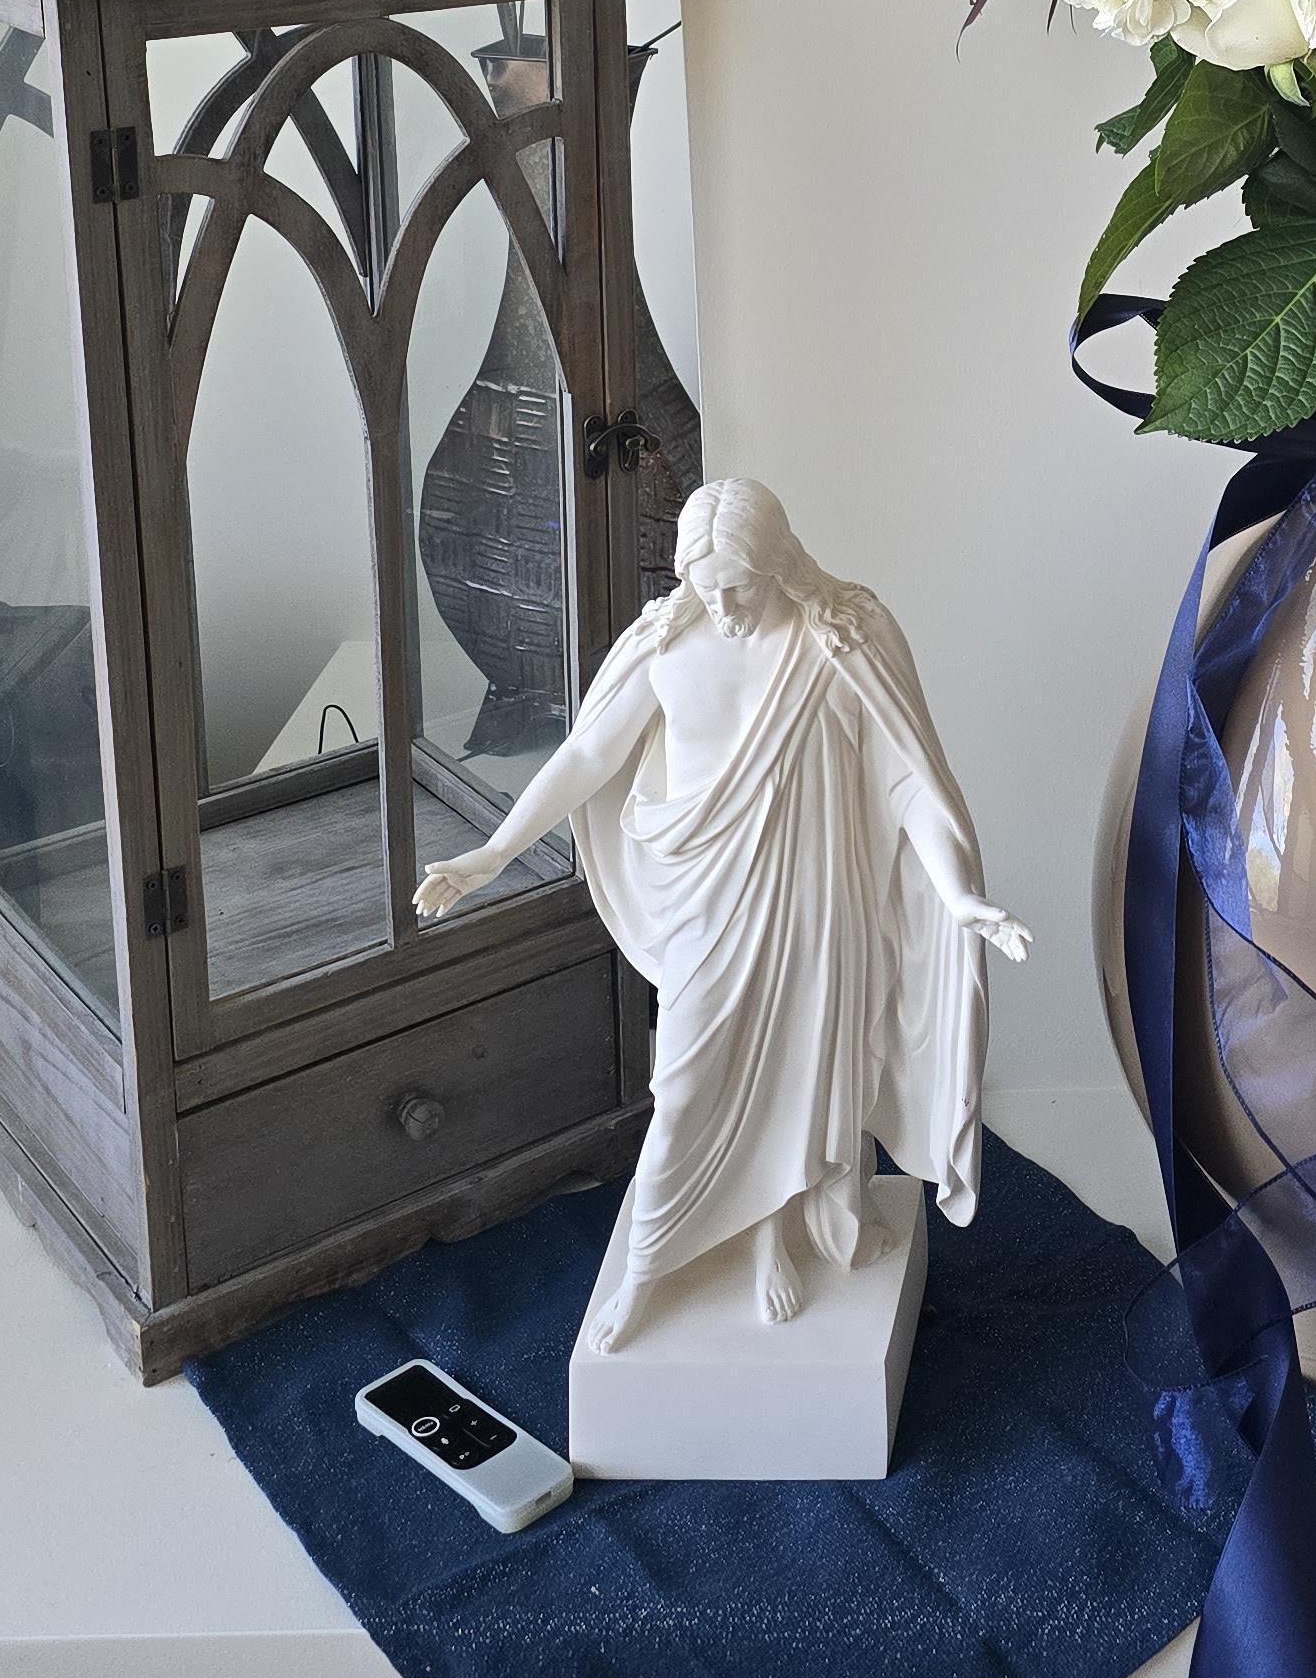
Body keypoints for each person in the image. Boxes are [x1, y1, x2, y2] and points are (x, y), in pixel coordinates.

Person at [414, 479, 1027, 1340]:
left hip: (817, 903)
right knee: (688, 1085)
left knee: (802, 1077)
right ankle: (646, 1269)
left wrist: (959, 893)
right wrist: (493, 851)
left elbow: (910, 783)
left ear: (779, 561)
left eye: (738, 582)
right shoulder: (666, 641)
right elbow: (591, 752)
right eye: (706, 586)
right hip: (709, 902)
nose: (723, 603)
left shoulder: (842, 640)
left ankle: (770, 1239)